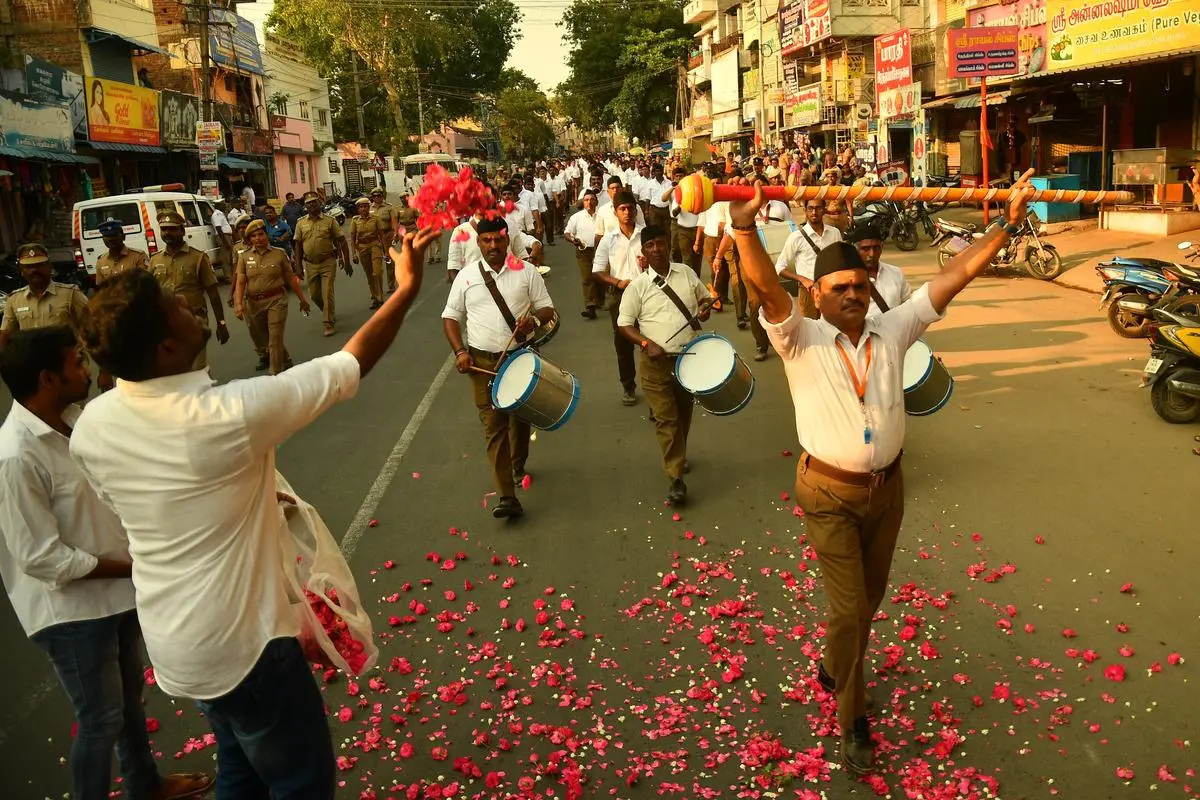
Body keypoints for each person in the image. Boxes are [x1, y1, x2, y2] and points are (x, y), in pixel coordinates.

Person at [68, 228, 436, 799]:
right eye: (176, 308)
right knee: (300, 783)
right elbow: (349, 364)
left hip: (176, 642)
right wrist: (407, 287)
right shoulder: (224, 417)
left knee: (240, 767)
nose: (189, 303)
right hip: (248, 648)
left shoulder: (92, 425)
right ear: (165, 349)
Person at [733, 173, 1037, 776]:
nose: (852, 293)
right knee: (850, 610)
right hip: (827, 493)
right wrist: (744, 227)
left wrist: (1005, 222)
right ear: (816, 294)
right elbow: (766, 286)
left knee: (866, 604)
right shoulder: (800, 338)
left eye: (859, 285)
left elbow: (956, 276)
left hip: (887, 491)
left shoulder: (893, 328)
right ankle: (853, 717)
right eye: (839, 286)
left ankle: (836, 665)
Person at [0, 327, 213, 800]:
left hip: (113, 594)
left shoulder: (76, 421)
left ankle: (144, 785)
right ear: (47, 378)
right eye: (76, 363)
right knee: (99, 719)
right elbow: (41, 558)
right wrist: (135, 565)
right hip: (71, 613)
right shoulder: (15, 456)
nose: (86, 370)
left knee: (128, 706)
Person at [441, 217, 555, 520]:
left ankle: (517, 464)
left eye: (498, 240)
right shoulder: (466, 277)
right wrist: (460, 352)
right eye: (487, 240)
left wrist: (534, 321)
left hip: (520, 358)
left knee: (520, 420)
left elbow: (547, 308)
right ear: (478, 243)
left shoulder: (527, 272)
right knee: (494, 428)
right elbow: (450, 318)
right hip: (481, 364)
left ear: (507, 240)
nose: (493, 245)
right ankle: (507, 496)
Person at [616, 225, 710, 504]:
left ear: (668, 245)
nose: (656, 249)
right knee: (667, 420)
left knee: (683, 416)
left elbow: (704, 298)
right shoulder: (638, 287)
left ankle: (678, 455)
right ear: (642, 252)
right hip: (655, 364)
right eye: (650, 246)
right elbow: (624, 325)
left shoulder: (687, 273)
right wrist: (646, 344)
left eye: (660, 243)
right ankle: (676, 477)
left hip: (689, 360)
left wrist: (705, 308)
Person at [146, 211, 229, 370]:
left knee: (196, 368)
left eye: (172, 229)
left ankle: (203, 391)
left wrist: (221, 323)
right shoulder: (155, 260)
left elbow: (213, 293)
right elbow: (150, 295)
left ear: (182, 231)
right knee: (176, 372)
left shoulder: (198, 258)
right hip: (165, 324)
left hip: (194, 321)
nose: (167, 233)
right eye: (164, 229)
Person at [234, 219, 310, 374]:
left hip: (276, 301)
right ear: (250, 239)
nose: (258, 238)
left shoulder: (279, 254)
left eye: (261, 234)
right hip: (254, 303)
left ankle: (274, 373)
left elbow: (290, 278)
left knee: (274, 337)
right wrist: (239, 303)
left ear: (266, 235)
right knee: (266, 339)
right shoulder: (244, 257)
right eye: (254, 236)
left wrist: (302, 299)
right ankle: (285, 358)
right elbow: (240, 282)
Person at [592, 191, 646, 406]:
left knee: (650, 339)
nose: (627, 212)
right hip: (621, 294)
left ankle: (655, 389)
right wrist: (617, 282)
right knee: (623, 344)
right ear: (615, 213)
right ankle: (628, 386)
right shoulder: (609, 239)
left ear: (636, 209)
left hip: (646, 292)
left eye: (630, 208)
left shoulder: (646, 234)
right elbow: (597, 271)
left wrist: (648, 265)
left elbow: (663, 262)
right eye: (622, 209)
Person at [0, 244, 89, 348]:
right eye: (28, 267)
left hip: (64, 359)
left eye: (39, 265)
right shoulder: (14, 299)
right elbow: (5, 334)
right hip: (31, 359)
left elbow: (91, 323)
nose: (34, 270)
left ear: (49, 267)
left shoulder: (71, 293)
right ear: (22, 271)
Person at [293, 190, 351, 337]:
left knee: (327, 292)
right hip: (310, 264)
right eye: (308, 203)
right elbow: (298, 246)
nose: (311, 205)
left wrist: (346, 260)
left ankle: (328, 322)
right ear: (305, 206)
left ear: (319, 203)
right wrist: (298, 267)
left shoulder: (330, 221)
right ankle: (328, 310)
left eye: (314, 202)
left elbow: (341, 241)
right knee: (314, 295)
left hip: (327, 261)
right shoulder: (301, 223)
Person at [774, 198, 843, 314]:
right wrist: (802, 279)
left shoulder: (835, 233)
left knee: (832, 328)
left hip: (832, 289)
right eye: (810, 208)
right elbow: (779, 267)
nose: (814, 212)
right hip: (808, 291)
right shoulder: (796, 237)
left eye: (818, 208)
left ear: (824, 210)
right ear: (805, 211)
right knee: (809, 329)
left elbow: (841, 260)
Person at [845, 220, 912, 316]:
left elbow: (908, 305)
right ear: (855, 249)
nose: (872, 254)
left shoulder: (896, 273)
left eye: (876, 248)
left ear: (882, 247)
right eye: (866, 249)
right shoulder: (845, 279)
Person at [564, 191, 604, 320]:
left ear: (596, 202)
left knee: (600, 277)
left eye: (592, 199)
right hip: (583, 250)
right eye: (586, 200)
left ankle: (599, 299)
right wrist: (572, 240)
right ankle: (590, 306)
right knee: (587, 278)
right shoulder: (576, 217)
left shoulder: (602, 216)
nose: (589, 202)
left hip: (602, 250)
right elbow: (567, 233)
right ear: (583, 202)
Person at [663, 166, 702, 276]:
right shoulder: (673, 189)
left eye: (681, 176)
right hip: (676, 223)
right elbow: (663, 199)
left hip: (693, 225)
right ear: (673, 177)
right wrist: (673, 188)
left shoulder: (690, 189)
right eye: (677, 176)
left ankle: (691, 276)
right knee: (675, 249)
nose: (679, 178)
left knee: (690, 256)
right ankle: (679, 270)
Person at [349, 197, 387, 309]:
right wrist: (354, 254)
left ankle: (380, 297)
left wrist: (386, 251)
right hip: (362, 247)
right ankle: (375, 298)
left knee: (377, 272)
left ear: (368, 207)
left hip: (375, 245)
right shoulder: (355, 221)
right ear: (358, 209)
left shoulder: (375, 218)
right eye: (361, 207)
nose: (363, 209)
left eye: (365, 206)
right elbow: (352, 238)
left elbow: (382, 235)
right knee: (369, 274)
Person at [94, 220, 149, 286]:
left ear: (123, 236)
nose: (110, 239)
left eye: (114, 235)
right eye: (106, 236)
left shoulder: (138, 256)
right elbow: (100, 288)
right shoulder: (101, 261)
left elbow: (146, 284)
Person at [593, 176, 645, 243]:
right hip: (610, 247)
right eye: (612, 188)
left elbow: (642, 227)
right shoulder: (602, 210)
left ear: (622, 189)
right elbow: (599, 234)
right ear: (608, 191)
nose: (615, 190)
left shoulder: (635, 207)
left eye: (617, 187)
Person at [209, 201, 235, 280]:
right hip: (223, 236)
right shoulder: (216, 214)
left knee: (231, 257)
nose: (225, 206)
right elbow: (218, 228)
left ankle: (232, 275)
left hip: (227, 236)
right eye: (223, 205)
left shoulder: (220, 214)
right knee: (226, 258)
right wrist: (225, 241)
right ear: (219, 205)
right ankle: (228, 277)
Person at [644, 163, 673, 231]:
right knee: (655, 230)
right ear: (654, 172)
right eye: (657, 171)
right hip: (654, 210)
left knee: (667, 230)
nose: (659, 172)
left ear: (663, 171)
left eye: (660, 171)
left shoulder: (669, 183)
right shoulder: (650, 183)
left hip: (666, 210)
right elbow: (648, 198)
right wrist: (646, 212)